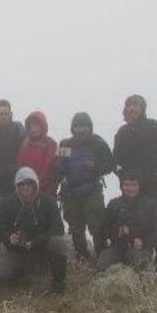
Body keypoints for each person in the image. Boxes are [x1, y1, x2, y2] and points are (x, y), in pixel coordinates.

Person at [113, 94, 157, 272]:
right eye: (130, 105)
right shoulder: (122, 132)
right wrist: (124, 180)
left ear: (143, 109)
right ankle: (135, 263)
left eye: (136, 105)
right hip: (132, 190)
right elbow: (116, 160)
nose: (132, 108)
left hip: (154, 189)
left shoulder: (155, 127)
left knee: (156, 224)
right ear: (125, 109)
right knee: (131, 223)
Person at [0, 167, 67, 294]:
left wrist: (35, 242)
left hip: (42, 248)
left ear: (35, 184)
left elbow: (58, 229)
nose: (25, 187)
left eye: (29, 183)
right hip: (18, 251)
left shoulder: (48, 202)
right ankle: (25, 275)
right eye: (21, 184)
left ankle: (58, 285)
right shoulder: (6, 203)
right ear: (17, 186)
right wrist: (9, 238)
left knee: (58, 242)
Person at [56, 112, 113, 261]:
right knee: (75, 228)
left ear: (90, 128)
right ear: (72, 128)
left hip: (92, 191)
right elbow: (58, 165)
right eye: (77, 126)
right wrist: (63, 168)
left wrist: (96, 166)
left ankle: (102, 257)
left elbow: (110, 164)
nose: (80, 130)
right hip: (71, 193)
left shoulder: (98, 143)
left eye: (84, 127)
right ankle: (82, 256)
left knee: (97, 225)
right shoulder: (65, 144)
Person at [96, 171, 157, 272]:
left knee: (139, 265)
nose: (130, 188)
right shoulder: (113, 204)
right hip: (117, 247)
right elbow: (103, 230)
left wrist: (143, 240)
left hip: (141, 249)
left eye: (134, 185)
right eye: (126, 184)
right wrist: (117, 232)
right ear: (121, 186)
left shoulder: (150, 204)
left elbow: (155, 231)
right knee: (102, 266)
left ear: (139, 186)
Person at [17, 111, 58, 197]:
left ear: (43, 127)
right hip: (26, 191)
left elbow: (50, 167)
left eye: (37, 126)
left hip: (46, 191)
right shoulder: (24, 144)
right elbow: (20, 166)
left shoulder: (51, 144)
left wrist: (37, 185)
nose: (34, 129)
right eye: (31, 127)